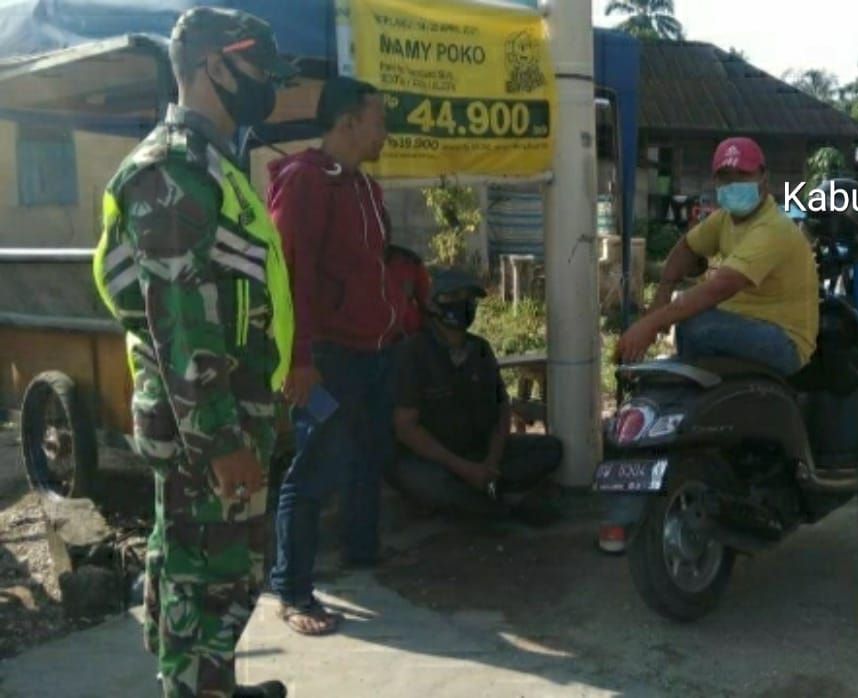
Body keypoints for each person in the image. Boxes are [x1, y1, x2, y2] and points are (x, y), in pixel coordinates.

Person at [92, 7, 296, 696]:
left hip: (227, 415)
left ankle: (213, 685)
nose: (266, 84)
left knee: (215, 573)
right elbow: (181, 322)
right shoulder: (171, 171)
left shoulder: (213, 165)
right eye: (259, 68)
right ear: (214, 66)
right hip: (204, 431)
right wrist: (219, 440)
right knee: (206, 582)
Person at [604, 136, 820, 552]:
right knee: (672, 358)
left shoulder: (772, 229)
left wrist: (652, 323)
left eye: (743, 174)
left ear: (763, 179)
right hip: (737, 330)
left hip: (782, 342)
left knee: (695, 326)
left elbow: (717, 288)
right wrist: (662, 291)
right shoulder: (725, 221)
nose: (734, 182)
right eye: (725, 176)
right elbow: (686, 248)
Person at [266, 76, 405, 636]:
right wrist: (299, 360)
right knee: (315, 468)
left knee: (366, 455)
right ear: (348, 122)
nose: (385, 131)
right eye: (379, 120)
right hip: (325, 357)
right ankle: (293, 589)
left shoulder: (364, 188)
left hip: (373, 353)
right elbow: (290, 277)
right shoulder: (304, 183)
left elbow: (375, 267)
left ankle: (361, 551)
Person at [388, 268, 563, 524]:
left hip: (478, 453)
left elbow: (501, 409)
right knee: (425, 482)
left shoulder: (480, 349)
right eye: (455, 296)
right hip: (435, 460)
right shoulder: (413, 353)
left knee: (550, 449)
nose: (465, 304)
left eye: (470, 298)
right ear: (435, 304)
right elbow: (406, 428)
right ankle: (492, 504)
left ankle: (479, 497)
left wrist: (491, 461)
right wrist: (463, 468)